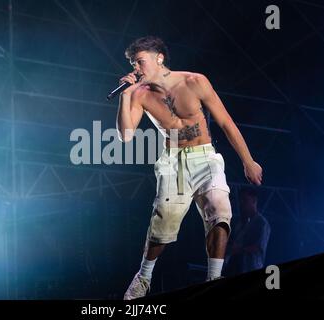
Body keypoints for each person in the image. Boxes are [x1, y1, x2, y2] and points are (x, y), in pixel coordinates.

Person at [116, 36, 263, 300]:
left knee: (220, 210)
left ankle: (213, 279)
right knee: (163, 227)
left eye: (139, 61)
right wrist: (125, 96)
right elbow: (125, 135)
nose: (136, 68)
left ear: (159, 58)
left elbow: (226, 122)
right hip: (172, 161)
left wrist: (247, 160)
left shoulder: (195, 81)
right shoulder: (139, 94)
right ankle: (144, 277)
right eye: (133, 63)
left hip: (205, 157)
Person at [224, 187, 271, 276]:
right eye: (241, 200)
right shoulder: (240, 222)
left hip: (250, 267)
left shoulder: (262, 223)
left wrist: (237, 249)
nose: (242, 204)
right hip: (234, 267)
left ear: (254, 201)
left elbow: (258, 248)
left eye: (245, 200)